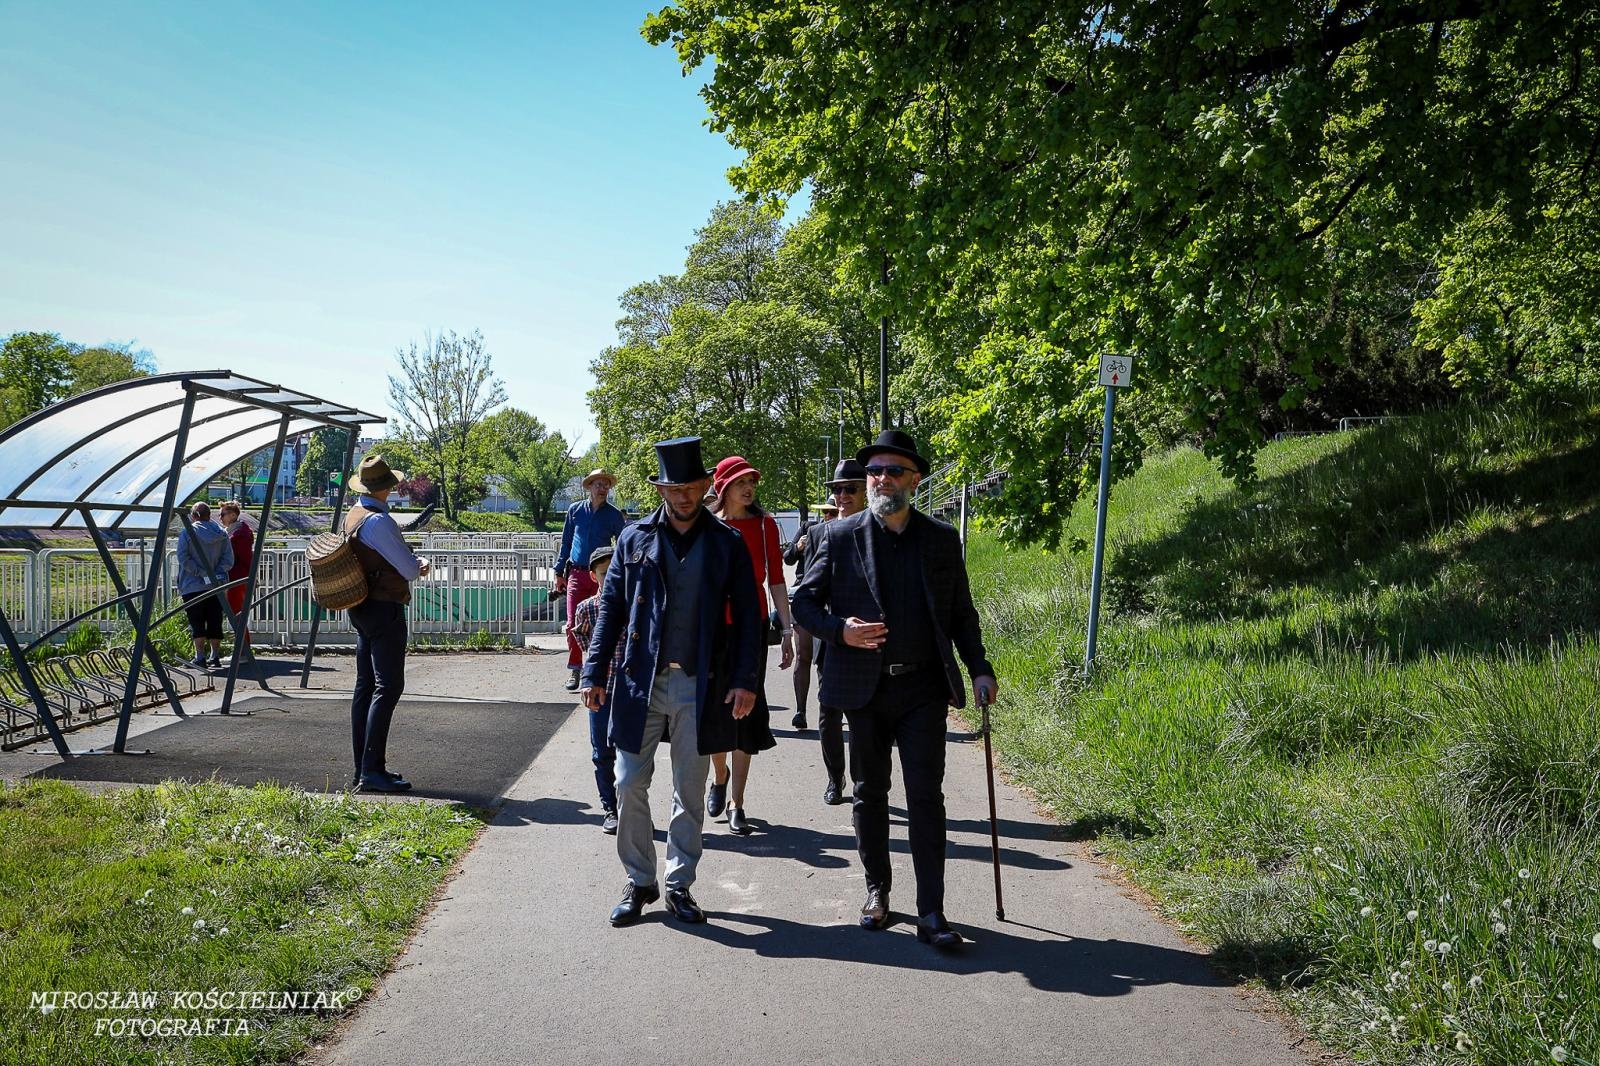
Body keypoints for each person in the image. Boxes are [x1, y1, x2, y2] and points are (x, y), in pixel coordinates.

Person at [792, 430, 998, 949]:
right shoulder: (839, 538)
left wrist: (979, 667)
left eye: (894, 471)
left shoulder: (940, 539)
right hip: (864, 691)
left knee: (926, 798)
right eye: (875, 471)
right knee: (869, 794)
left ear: (915, 480)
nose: (882, 479)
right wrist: (842, 631)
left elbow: (960, 614)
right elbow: (804, 605)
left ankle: (932, 911)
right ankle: (877, 892)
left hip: (923, 688)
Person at [581, 436, 764, 927]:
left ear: (706, 487)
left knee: (689, 786)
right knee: (627, 782)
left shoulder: (726, 544)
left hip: (701, 684)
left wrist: (746, 679)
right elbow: (610, 611)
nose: (682, 496)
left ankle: (680, 883)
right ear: (660, 489)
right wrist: (593, 671)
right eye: (673, 488)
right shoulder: (634, 539)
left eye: (690, 487)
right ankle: (640, 881)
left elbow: (750, 616)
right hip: (640, 680)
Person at [705, 455, 794, 836]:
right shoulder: (707, 526)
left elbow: (776, 579)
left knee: (746, 716)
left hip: (752, 628)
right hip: (712, 631)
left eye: (752, 481)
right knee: (716, 713)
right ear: (723, 486)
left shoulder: (765, 525)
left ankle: (738, 803)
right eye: (741, 481)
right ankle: (719, 776)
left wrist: (787, 631)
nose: (749, 487)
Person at [344, 454, 431, 794]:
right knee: (388, 687)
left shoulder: (354, 515)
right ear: (386, 488)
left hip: (361, 607)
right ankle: (372, 771)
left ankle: (362, 768)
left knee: (366, 686)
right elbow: (408, 569)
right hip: (384, 608)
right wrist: (419, 563)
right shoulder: (380, 522)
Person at [814, 459, 868, 804]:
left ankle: (865, 784)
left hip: (870, 646)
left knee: (864, 723)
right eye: (837, 490)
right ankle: (835, 779)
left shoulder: (879, 532)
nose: (842, 496)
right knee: (828, 718)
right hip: (832, 641)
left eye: (850, 489)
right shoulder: (822, 532)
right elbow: (809, 594)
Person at [556, 469, 627, 692]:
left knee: (602, 622)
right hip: (577, 573)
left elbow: (624, 543)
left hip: (602, 575)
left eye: (606, 485)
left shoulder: (614, 515)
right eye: (598, 484)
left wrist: (621, 571)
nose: (602, 488)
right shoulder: (575, 510)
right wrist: (559, 571)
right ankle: (575, 667)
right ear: (589, 487)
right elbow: (566, 541)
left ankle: (596, 667)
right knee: (571, 624)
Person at [570, 543, 621, 835]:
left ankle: (631, 807)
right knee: (601, 752)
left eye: (615, 570)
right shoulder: (587, 609)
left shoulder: (633, 606)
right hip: (600, 691)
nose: (610, 576)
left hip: (628, 691)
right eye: (604, 572)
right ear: (593, 576)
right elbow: (585, 643)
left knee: (631, 752)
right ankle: (610, 808)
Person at [783, 497, 838, 730]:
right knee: (803, 654)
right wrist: (798, 547)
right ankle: (800, 710)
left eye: (833, 512)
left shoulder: (848, 531)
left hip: (833, 598)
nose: (829, 516)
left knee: (826, 659)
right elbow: (787, 558)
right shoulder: (808, 528)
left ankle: (830, 710)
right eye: (826, 512)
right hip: (804, 594)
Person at [175, 501, 233, 669]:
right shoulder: (222, 534)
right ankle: (214, 655)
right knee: (215, 620)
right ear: (210, 515)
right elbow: (228, 560)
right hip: (217, 585)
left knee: (196, 621)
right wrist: (215, 573)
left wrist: (201, 572)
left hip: (192, 584)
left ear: (194, 516)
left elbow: (183, 558)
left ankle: (199, 655)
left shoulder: (188, 533)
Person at [218, 500, 254, 655]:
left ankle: (243, 650)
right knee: (237, 613)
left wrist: (249, 576)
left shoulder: (239, 535)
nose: (220, 517)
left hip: (237, 578)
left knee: (237, 613)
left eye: (223, 514)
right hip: (238, 577)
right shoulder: (237, 532)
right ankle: (242, 648)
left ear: (233, 515)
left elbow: (246, 557)